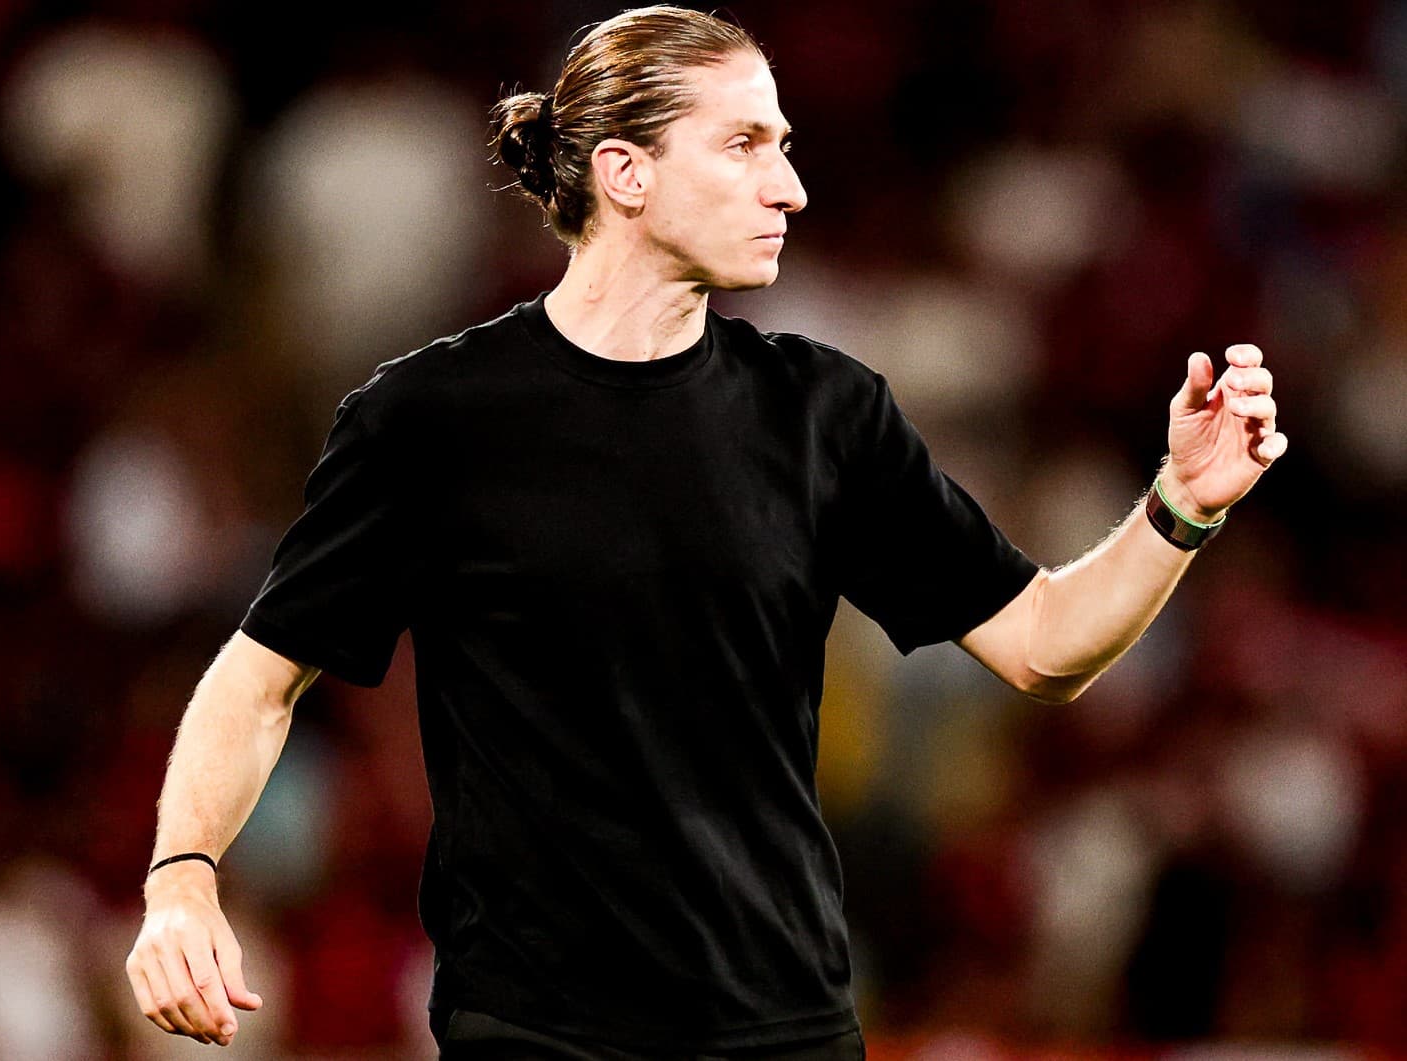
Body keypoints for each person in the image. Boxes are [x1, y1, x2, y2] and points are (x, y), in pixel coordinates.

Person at [124, 6, 1286, 1057]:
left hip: (789, 1026)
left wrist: (1178, 507)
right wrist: (182, 877)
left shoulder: (827, 413)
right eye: (745, 146)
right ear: (624, 174)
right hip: (539, 1033)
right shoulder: (431, 417)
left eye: (783, 145)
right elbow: (262, 675)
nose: (790, 188)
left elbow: (1040, 642)